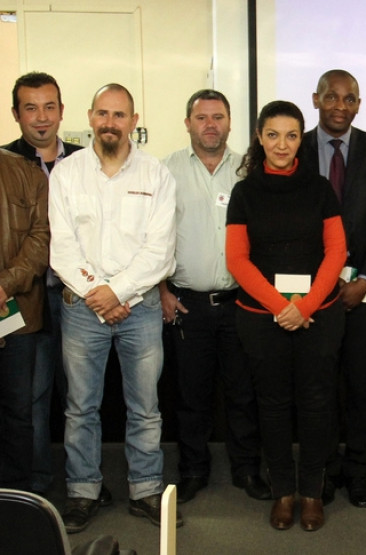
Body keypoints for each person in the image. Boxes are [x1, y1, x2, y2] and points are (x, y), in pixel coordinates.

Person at [49, 84, 179, 533]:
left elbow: (160, 251)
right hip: (82, 310)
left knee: (145, 407)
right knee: (80, 408)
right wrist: (100, 295)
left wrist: (117, 293)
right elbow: (63, 247)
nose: (110, 123)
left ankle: (145, 490)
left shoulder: (156, 175)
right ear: (90, 116)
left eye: (119, 115)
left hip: (138, 310)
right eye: (103, 113)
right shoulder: (66, 174)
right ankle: (83, 491)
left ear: (133, 121)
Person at [226, 100, 346, 532]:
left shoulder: (320, 189)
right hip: (263, 318)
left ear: (301, 140)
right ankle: (283, 492)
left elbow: (336, 251)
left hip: (318, 316)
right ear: (259, 137)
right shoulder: (244, 193)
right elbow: (237, 261)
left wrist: (305, 306)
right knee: (272, 405)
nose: (282, 144)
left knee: (316, 404)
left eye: (291, 135)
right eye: (273, 135)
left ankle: (311, 492)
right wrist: (282, 308)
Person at [160, 89, 270, 505]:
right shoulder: (165, 170)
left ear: (229, 123)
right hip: (186, 303)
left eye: (218, 117)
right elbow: (154, 237)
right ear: (188, 123)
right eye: (202, 117)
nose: (210, 125)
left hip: (239, 303)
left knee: (243, 393)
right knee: (192, 397)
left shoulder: (248, 170)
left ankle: (247, 470)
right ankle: (193, 471)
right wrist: (162, 290)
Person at [304, 70, 366, 509]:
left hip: (365, 293)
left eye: (349, 99)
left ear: (359, 104)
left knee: (362, 387)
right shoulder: (296, 147)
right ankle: (322, 471)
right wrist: (321, 282)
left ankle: (357, 470)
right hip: (312, 294)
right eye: (331, 97)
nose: (340, 106)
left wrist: (365, 280)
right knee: (319, 388)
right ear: (316, 100)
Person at [3, 71, 83, 495]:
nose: (41, 117)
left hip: (79, 298)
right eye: (30, 108)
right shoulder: (7, 162)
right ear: (16, 114)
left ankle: (82, 483)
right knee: (31, 397)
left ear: (62, 111)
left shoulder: (86, 161)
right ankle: (36, 486)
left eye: (49, 107)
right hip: (28, 298)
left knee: (80, 396)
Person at [0, 148, 48, 490]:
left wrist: (5, 285)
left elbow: (41, 237)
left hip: (15, 313)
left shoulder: (26, 173)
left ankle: (16, 496)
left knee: (18, 411)